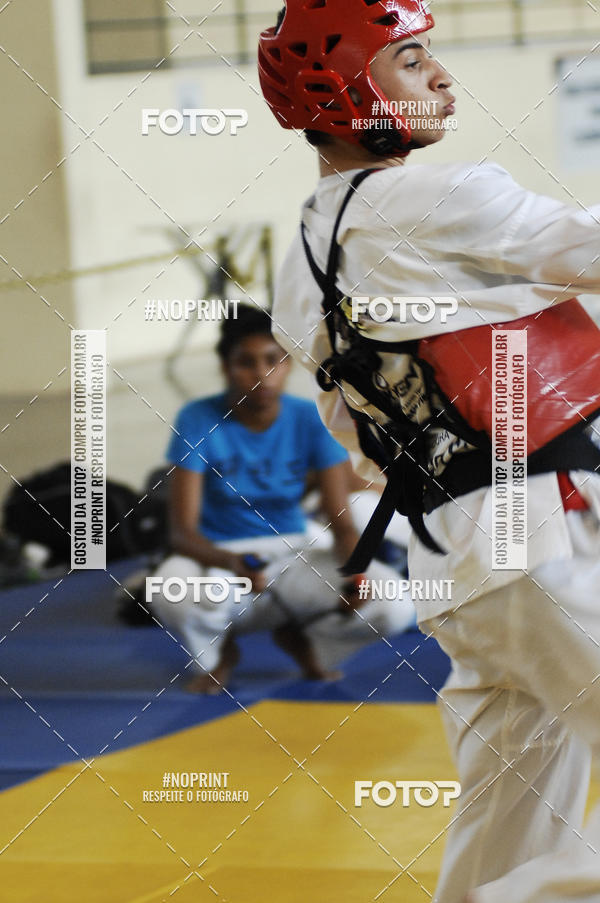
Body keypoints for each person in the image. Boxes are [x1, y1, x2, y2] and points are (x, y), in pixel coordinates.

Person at [258, 3, 600, 902]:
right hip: (541, 545)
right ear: (346, 87)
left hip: (461, 570)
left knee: (505, 831)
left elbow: (364, 442)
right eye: (411, 60)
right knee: (518, 867)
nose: (442, 77)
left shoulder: (298, 268)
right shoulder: (439, 197)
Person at [150, 304, 415, 694]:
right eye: (246, 362)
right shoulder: (198, 418)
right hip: (220, 559)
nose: (261, 374)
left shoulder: (309, 418)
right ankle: (218, 652)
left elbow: (341, 521)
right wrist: (230, 562)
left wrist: (354, 573)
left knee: (393, 604)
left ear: (287, 364)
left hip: (295, 553)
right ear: (225, 367)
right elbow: (181, 534)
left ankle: (307, 638)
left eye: (272, 361)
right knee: (168, 589)